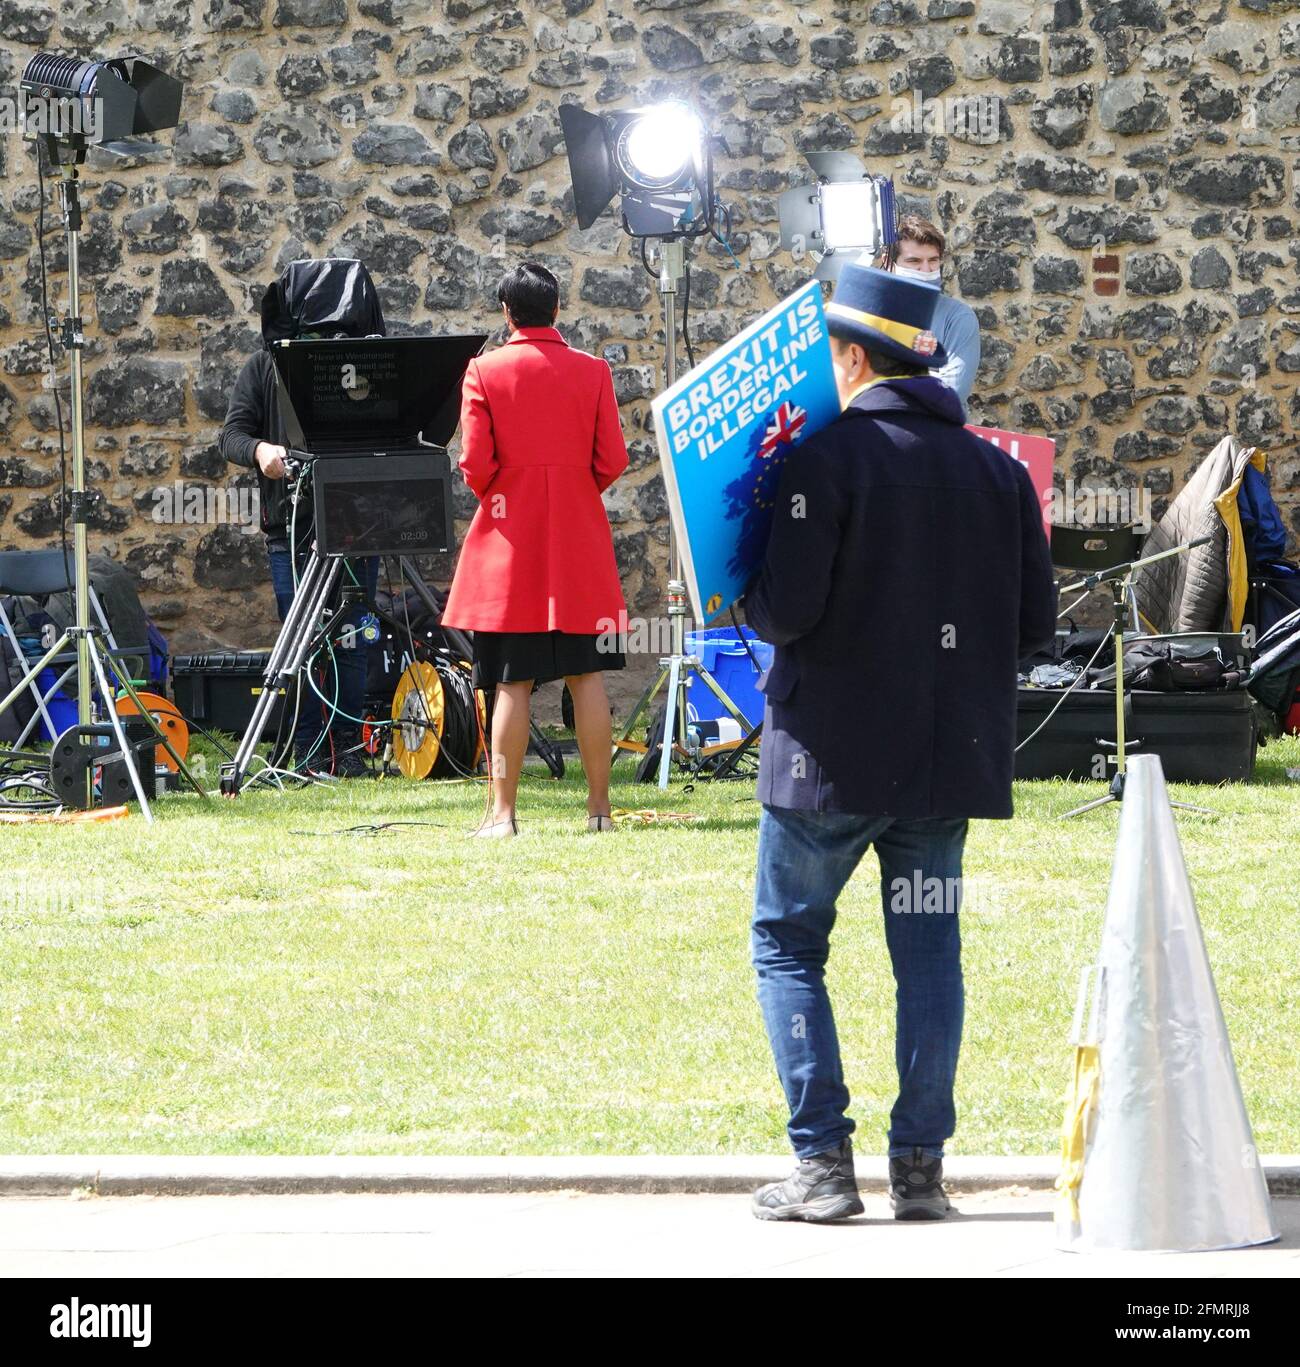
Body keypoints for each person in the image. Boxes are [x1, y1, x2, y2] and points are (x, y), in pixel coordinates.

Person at [744, 262, 1056, 1223]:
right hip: (942, 761)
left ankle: (823, 1167)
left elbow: (787, 612)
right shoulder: (1000, 474)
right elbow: (1036, 624)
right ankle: (920, 1169)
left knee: (789, 942)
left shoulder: (823, 462)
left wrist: (743, 586)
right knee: (929, 951)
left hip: (826, 763)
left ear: (851, 355)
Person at [441, 262, 629, 838]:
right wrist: (571, 491)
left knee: (510, 683)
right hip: (579, 543)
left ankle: (503, 816)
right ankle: (600, 811)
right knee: (588, 675)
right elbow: (613, 459)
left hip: (511, 548)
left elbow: (474, 463)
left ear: (506, 312)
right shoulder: (594, 371)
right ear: (556, 309)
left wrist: (512, 495)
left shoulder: (483, 372)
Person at [220, 257, 385, 778]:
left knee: (355, 638)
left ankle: (349, 751)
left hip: (360, 528)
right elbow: (231, 435)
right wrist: (262, 451)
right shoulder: (262, 367)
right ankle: (309, 751)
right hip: (289, 532)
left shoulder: (371, 364)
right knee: (303, 641)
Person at [878, 214, 980, 413]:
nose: (926, 270)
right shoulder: (870, 313)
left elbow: (951, 395)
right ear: (888, 262)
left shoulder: (958, 318)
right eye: (914, 261)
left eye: (933, 260)